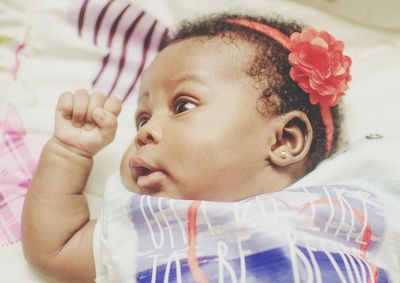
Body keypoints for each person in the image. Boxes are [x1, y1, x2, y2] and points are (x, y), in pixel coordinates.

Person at [21, 13, 352, 282]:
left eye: (183, 106)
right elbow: (56, 249)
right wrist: (68, 152)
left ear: (284, 140)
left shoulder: (347, 203)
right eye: (142, 119)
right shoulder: (152, 226)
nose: (146, 131)